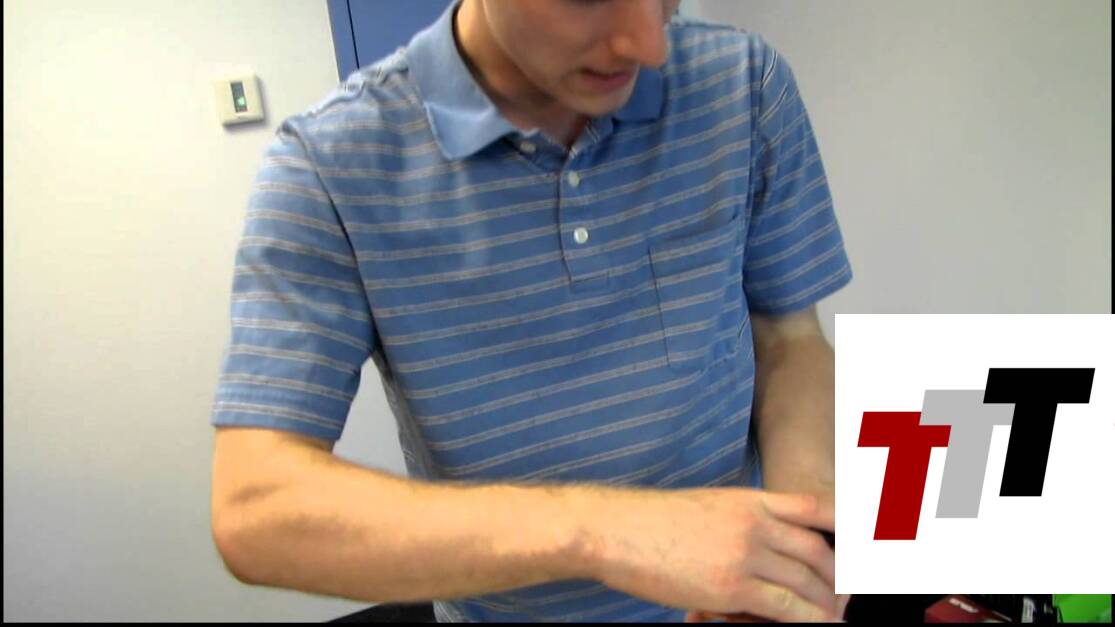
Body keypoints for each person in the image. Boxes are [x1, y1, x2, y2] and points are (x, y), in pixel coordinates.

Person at [208, 0, 853, 622]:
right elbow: (255, 511)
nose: (649, 43)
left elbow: (790, 339)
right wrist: (609, 532)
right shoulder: (327, 164)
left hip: (736, 601)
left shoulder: (743, 84)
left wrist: (805, 542)